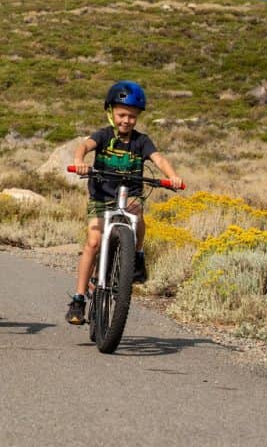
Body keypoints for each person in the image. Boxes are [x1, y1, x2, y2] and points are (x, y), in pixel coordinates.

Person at [65, 80, 183, 325]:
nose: (126, 120)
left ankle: (137, 254)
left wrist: (172, 176)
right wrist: (79, 160)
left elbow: (158, 158)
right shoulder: (104, 135)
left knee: (137, 213)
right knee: (93, 241)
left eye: (132, 116)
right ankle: (78, 299)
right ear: (111, 112)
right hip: (102, 196)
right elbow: (85, 145)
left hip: (130, 195)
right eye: (121, 115)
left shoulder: (141, 141)